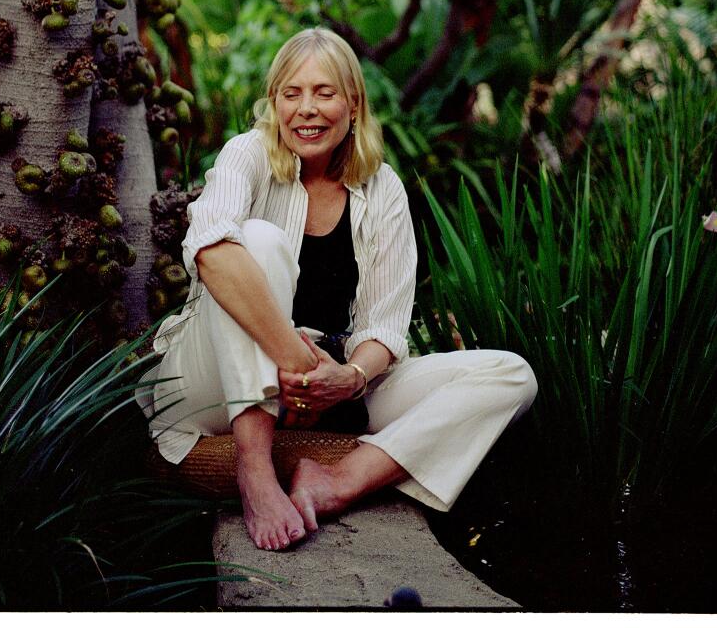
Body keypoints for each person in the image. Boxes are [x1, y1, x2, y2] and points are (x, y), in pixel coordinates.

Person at [138, 28, 536, 550]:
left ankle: (338, 482)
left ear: (353, 103)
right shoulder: (247, 155)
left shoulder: (382, 187)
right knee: (253, 241)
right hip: (210, 381)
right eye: (292, 93)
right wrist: (298, 367)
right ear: (274, 103)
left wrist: (346, 378)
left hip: (330, 384)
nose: (307, 109)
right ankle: (254, 470)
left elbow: (385, 326)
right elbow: (211, 251)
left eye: (324, 93)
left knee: (510, 375)